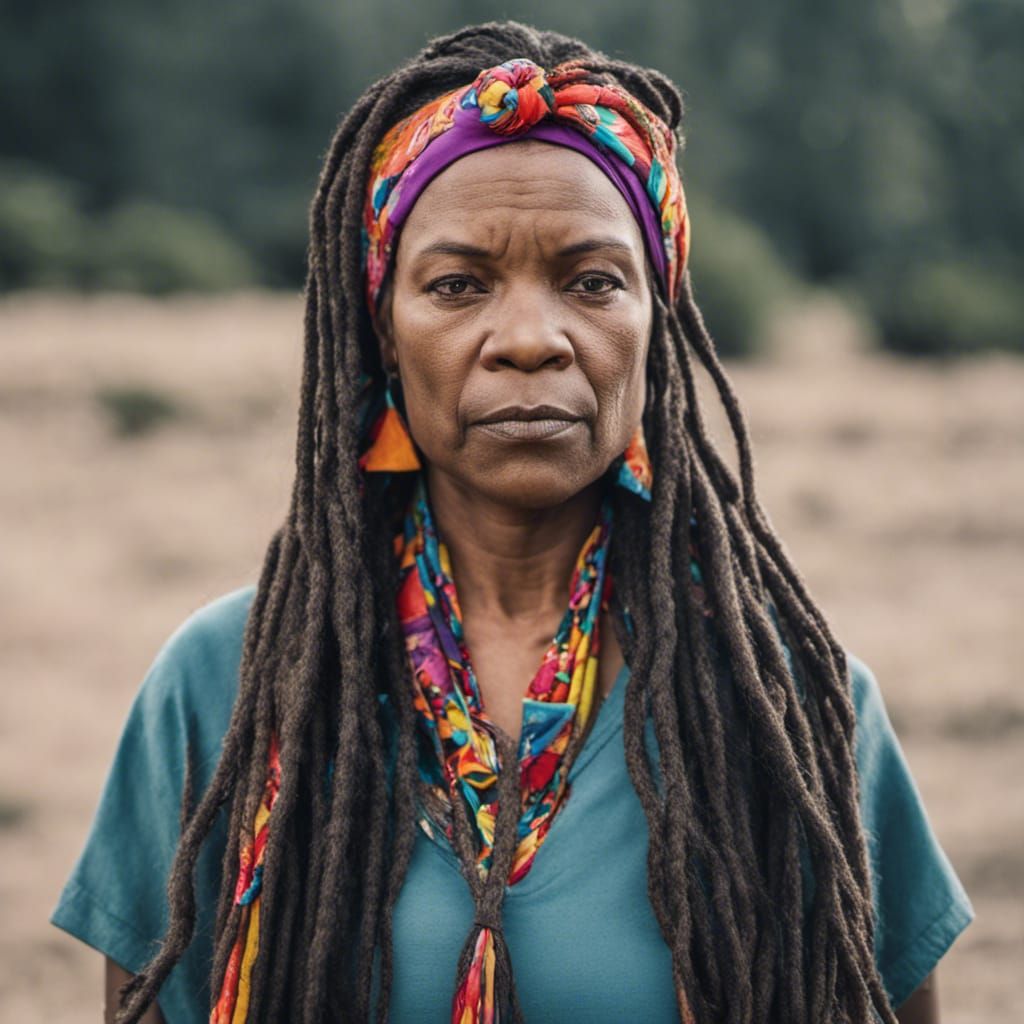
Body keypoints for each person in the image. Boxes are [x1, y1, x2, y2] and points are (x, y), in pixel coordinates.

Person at [51, 20, 973, 1024]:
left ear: (656, 326)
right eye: (457, 285)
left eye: (593, 281)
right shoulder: (226, 689)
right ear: (383, 331)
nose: (530, 339)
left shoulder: (787, 707)